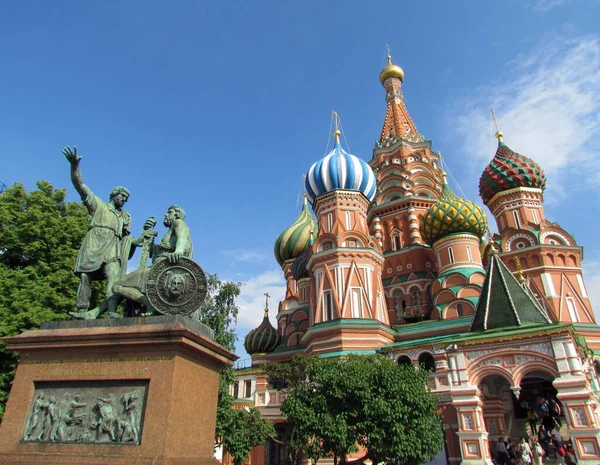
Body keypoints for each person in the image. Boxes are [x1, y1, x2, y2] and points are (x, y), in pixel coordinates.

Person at [63, 146, 140, 316]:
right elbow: (80, 185)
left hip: (112, 247)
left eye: (126, 199)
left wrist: (138, 241)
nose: (124, 200)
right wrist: (74, 166)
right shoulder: (99, 206)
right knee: (85, 278)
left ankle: (112, 310)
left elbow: (126, 240)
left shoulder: (124, 217)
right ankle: (82, 309)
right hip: (94, 243)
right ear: (114, 195)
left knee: (114, 278)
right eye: (122, 197)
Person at [112, 205, 193, 314]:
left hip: (161, 270)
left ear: (177, 215)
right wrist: (147, 232)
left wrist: (179, 251)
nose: (165, 214)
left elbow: (182, 237)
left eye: (169, 212)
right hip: (157, 268)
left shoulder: (178, 223)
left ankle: (150, 303)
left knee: (117, 286)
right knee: (118, 288)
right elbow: (152, 253)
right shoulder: (169, 234)